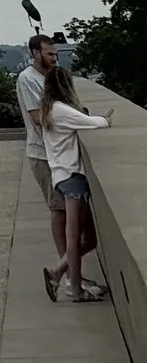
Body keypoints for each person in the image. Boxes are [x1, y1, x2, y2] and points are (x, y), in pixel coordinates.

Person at [37, 87, 112, 303]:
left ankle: (57, 273)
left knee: (89, 240)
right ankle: (76, 290)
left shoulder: (49, 110)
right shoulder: (59, 110)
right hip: (72, 179)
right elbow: (96, 123)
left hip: (61, 178)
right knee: (75, 237)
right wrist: (104, 118)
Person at [16, 33, 63, 259]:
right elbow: (38, 117)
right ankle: (67, 273)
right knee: (59, 210)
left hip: (59, 153)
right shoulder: (27, 79)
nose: (54, 58)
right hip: (43, 155)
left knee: (70, 213)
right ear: (35, 53)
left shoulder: (53, 76)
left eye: (56, 54)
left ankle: (68, 270)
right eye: (49, 54)